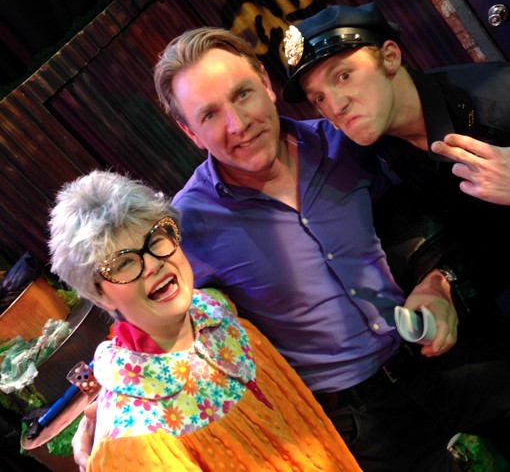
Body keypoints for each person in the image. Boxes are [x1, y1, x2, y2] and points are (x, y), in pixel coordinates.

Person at [73, 26, 510, 472]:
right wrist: (107, 411)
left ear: (266, 83)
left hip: (449, 349)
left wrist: (438, 282)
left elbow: (416, 222)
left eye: (242, 94)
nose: (237, 124)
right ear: (190, 133)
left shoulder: (346, 143)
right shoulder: (190, 224)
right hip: (363, 421)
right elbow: (147, 314)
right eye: (210, 115)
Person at [48, 169, 361, 472]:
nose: (153, 264)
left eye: (155, 239)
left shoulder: (216, 307)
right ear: (100, 295)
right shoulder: (134, 437)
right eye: (123, 263)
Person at [281, 1, 510, 317]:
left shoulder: (496, 99)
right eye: (319, 98)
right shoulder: (381, 144)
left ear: (389, 56)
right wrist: (440, 281)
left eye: (344, 75)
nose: (335, 106)